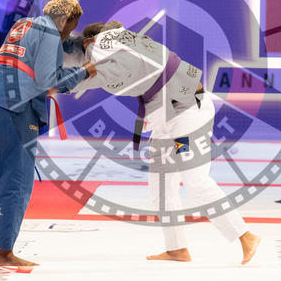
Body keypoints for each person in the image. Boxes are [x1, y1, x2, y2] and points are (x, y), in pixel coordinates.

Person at [71, 21, 261, 265]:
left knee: (196, 182)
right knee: (161, 188)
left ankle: (245, 236)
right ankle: (176, 248)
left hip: (188, 113)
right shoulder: (127, 45)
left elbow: (86, 71)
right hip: (166, 117)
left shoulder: (115, 46)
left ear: (92, 42)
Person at [0, 0, 96, 266]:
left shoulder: (25, 25)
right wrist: (84, 72)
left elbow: (57, 43)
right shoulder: (50, 32)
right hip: (12, 107)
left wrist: (78, 43)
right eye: (72, 26)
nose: (71, 32)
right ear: (64, 19)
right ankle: (5, 253)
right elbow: (49, 79)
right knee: (16, 180)